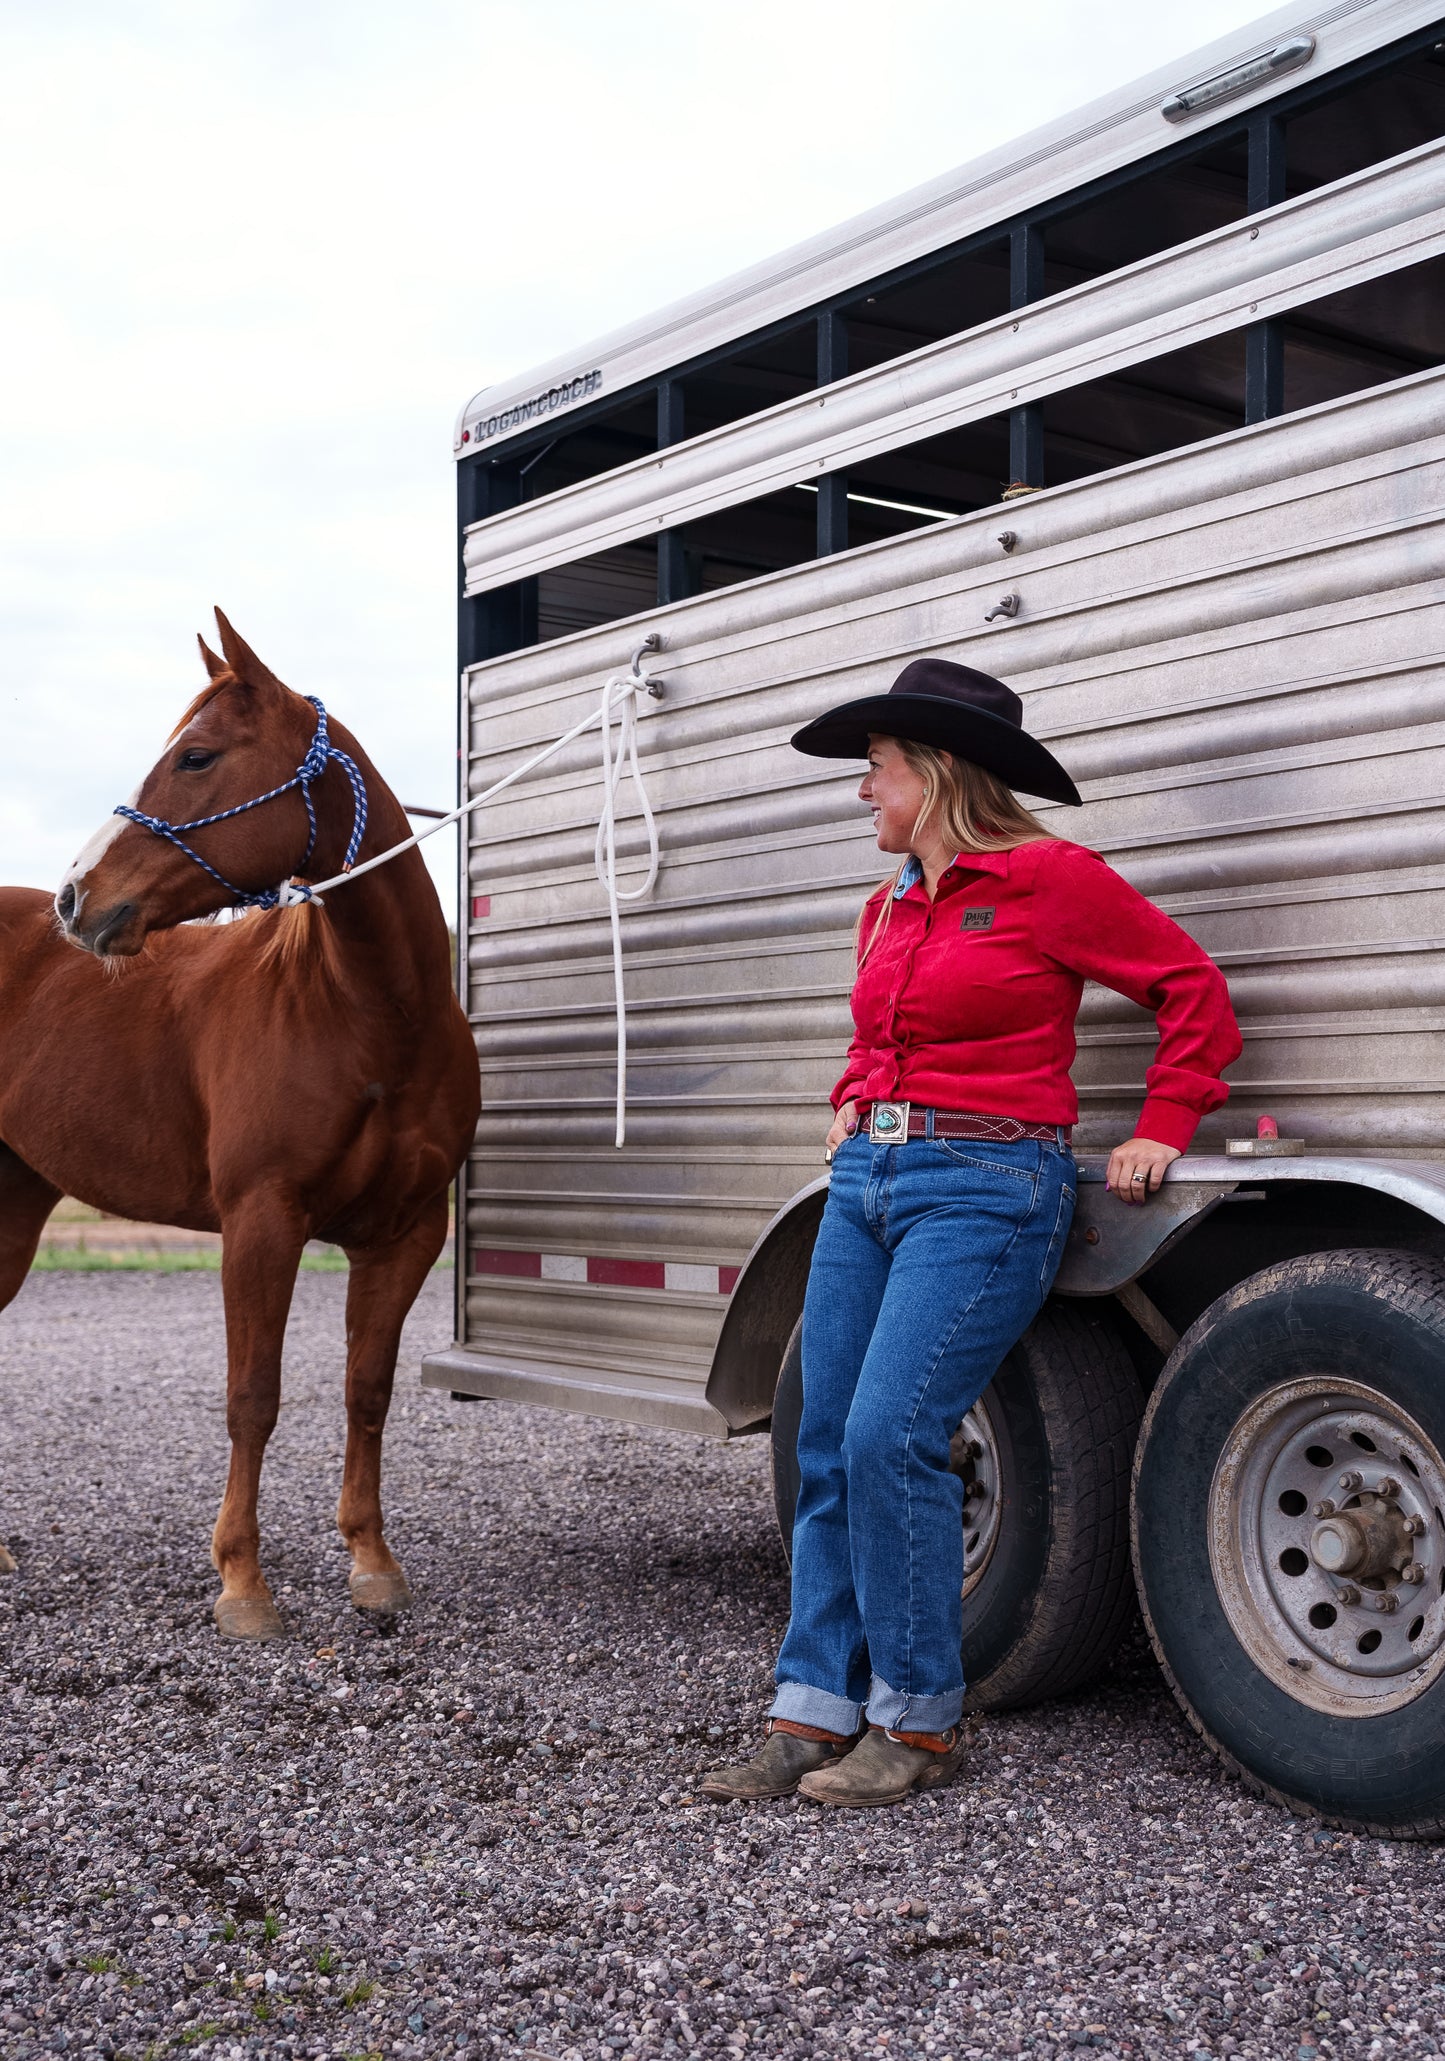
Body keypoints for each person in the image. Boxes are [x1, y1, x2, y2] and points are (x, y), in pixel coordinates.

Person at [701, 657, 1241, 1810]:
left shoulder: (1048, 879)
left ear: (935, 772)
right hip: (867, 1181)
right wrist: (853, 1089)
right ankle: (809, 1711)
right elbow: (876, 1031)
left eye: (875, 772)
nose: (862, 794)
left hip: (988, 1183)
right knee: (827, 1440)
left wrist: (1162, 1122)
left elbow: (1190, 990)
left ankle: (915, 1723)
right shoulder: (890, 901)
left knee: (893, 1434)